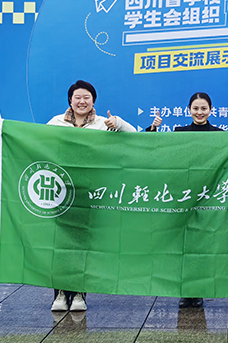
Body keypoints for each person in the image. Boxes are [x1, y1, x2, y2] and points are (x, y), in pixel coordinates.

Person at [46, 80, 137, 312]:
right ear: (70, 100)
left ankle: (79, 294)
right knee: (61, 243)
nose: (82, 101)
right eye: (77, 97)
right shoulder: (55, 122)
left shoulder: (103, 124)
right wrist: (2, 130)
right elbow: (33, 140)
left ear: (93, 100)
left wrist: (119, 123)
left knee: (83, 243)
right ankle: (60, 294)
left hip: (90, 192)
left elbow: (134, 136)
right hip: (61, 191)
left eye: (86, 97)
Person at [150, 91, 228, 309]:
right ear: (189, 110)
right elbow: (158, 151)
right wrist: (154, 129)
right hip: (183, 198)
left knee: (202, 246)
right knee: (184, 245)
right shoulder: (179, 133)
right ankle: (186, 291)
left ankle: (199, 290)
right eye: (195, 108)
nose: (199, 112)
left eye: (204, 108)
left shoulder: (220, 135)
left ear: (211, 110)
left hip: (208, 197)